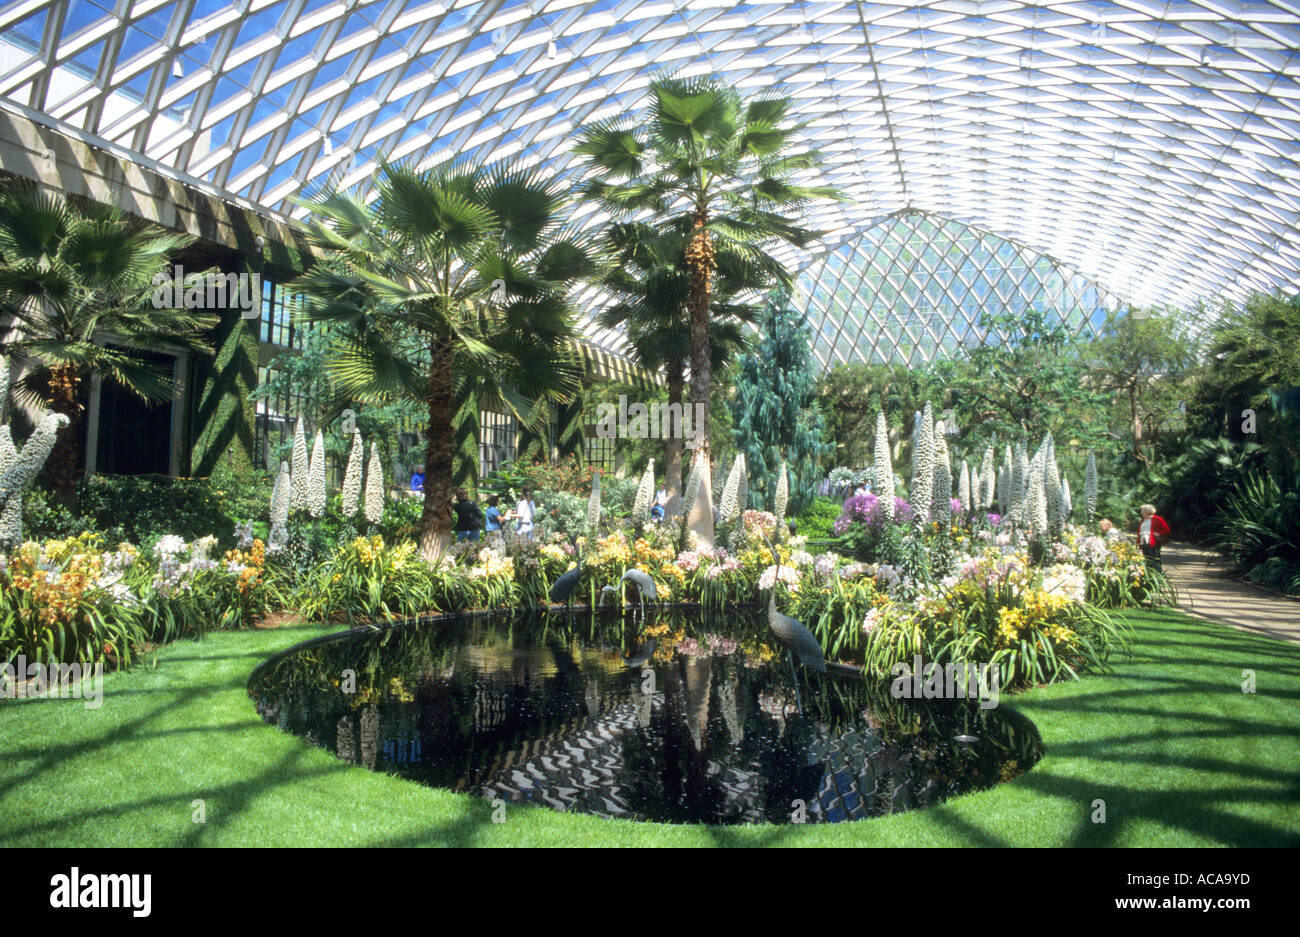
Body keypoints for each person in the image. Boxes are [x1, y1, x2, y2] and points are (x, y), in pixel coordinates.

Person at [1136, 504, 1171, 571]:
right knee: (1147, 560)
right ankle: (1150, 577)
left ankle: (1158, 577)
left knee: (1155, 561)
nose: (1141, 512)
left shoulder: (1158, 519)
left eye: (1142, 510)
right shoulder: (1143, 520)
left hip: (1153, 543)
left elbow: (1166, 530)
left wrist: (1158, 533)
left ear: (1147, 511)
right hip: (1144, 542)